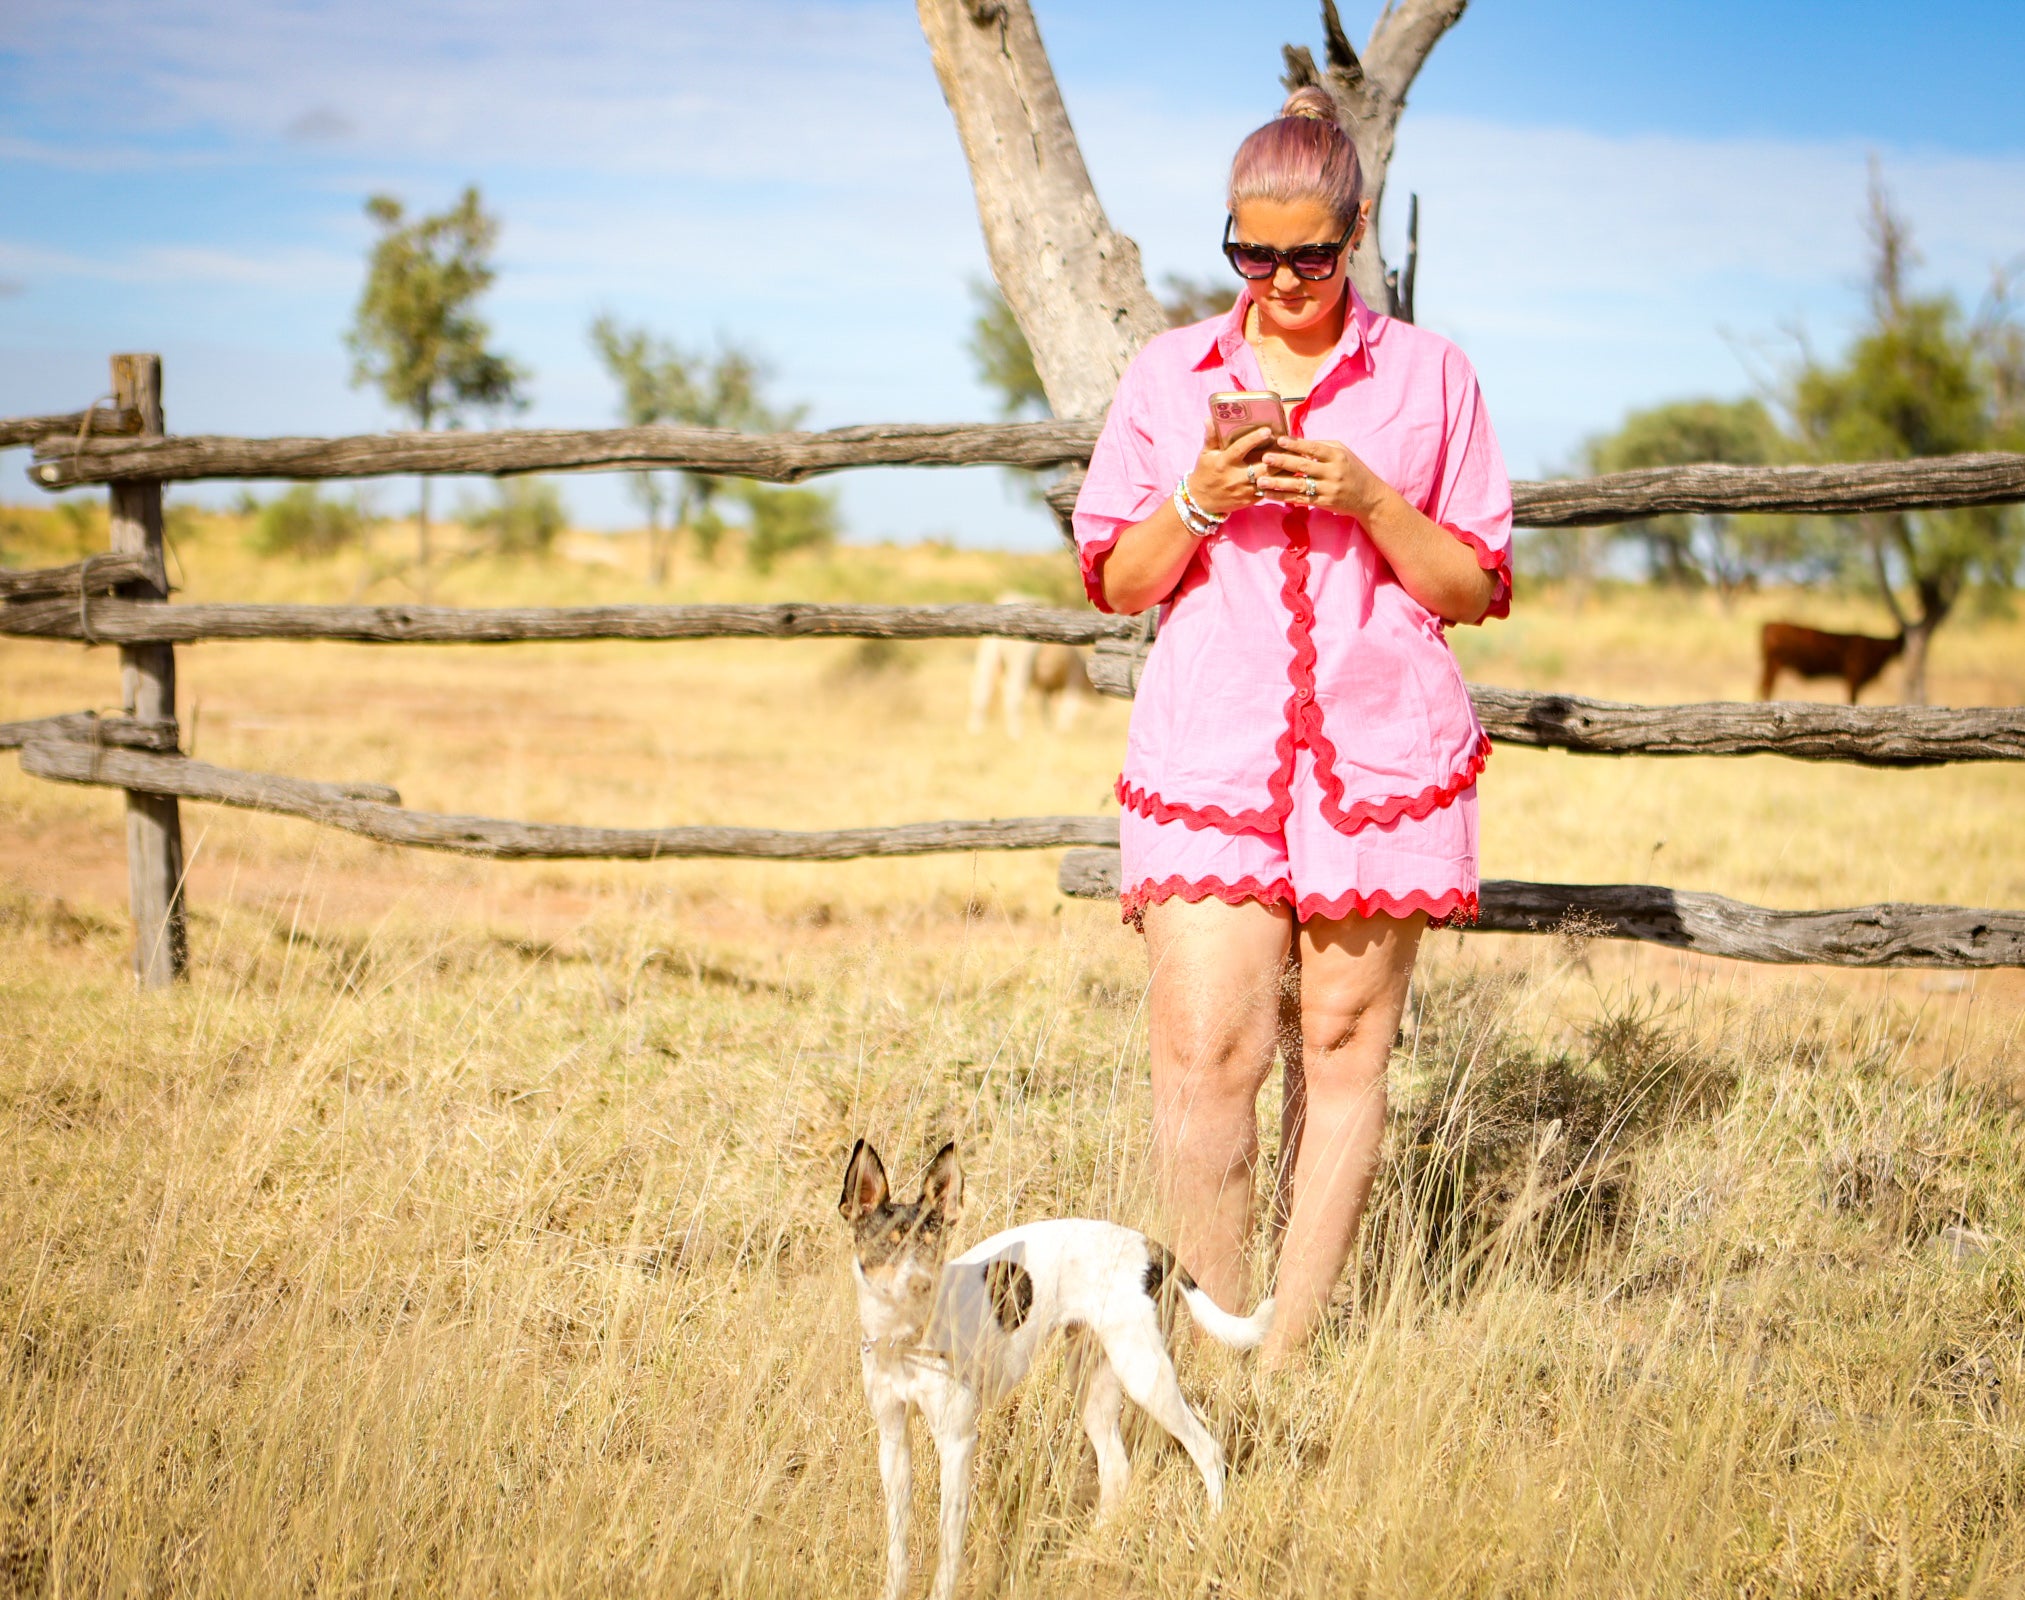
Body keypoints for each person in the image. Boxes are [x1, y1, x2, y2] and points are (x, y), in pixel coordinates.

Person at [1072, 86, 1513, 1365]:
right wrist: (1199, 498)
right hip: (1208, 753)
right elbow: (1119, 580)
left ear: (1357, 231)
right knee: (1206, 1049)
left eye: (1310, 257)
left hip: (1382, 758)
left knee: (1341, 1042)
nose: (1279, 283)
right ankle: (1211, 1352)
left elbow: (1470, 587)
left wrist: (1372, 498)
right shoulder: (1169, 375)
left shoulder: (1432, 376)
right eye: (1250, 255)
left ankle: (1288, 1362)